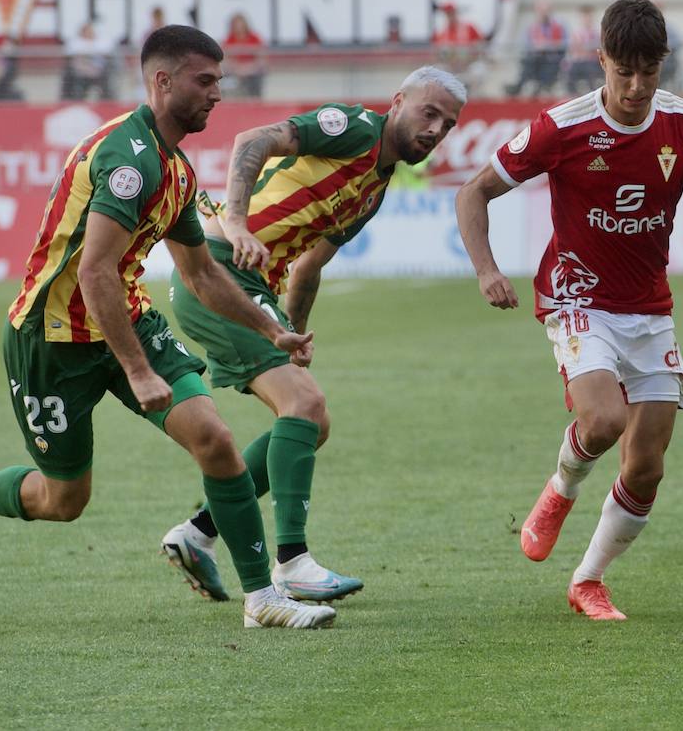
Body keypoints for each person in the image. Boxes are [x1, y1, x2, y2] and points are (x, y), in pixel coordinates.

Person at [0, 25, 333, 631]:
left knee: (214, 439)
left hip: (125, 319)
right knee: (65, 500)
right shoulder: (125, 160)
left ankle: (262, 598)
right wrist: (137, 371)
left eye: (221, 80)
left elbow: (201, 274)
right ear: (163, 82)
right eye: (206, 80)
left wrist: (271, 331)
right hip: (50, 341)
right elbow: (93, 272)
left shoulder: (178, 171)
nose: (219, 94)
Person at [454, 0, 683, 621]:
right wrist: (487, 270)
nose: (637, 87)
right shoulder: (563, 126)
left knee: (647, 465)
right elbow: (474, 192)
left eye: (651, 71)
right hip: (578, 294)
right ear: (602, 60)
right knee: (605, 421)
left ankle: (588, 580)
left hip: (649, 307)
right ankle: (561, 488)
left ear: (664, 63)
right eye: (624, 72)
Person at [160, 66, 467, 604]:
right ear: (398, 101)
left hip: (251, 283)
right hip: (220, 266)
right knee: (304, 407)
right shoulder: (354, 129)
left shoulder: (375, 189)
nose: (437, 129)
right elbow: (252, 139)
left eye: (448, 123)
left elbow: (307, 268)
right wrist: (235, 221)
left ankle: (200, 533)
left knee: (309, 419)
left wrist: (293, 337)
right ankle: (292, 563)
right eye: (429, 112)